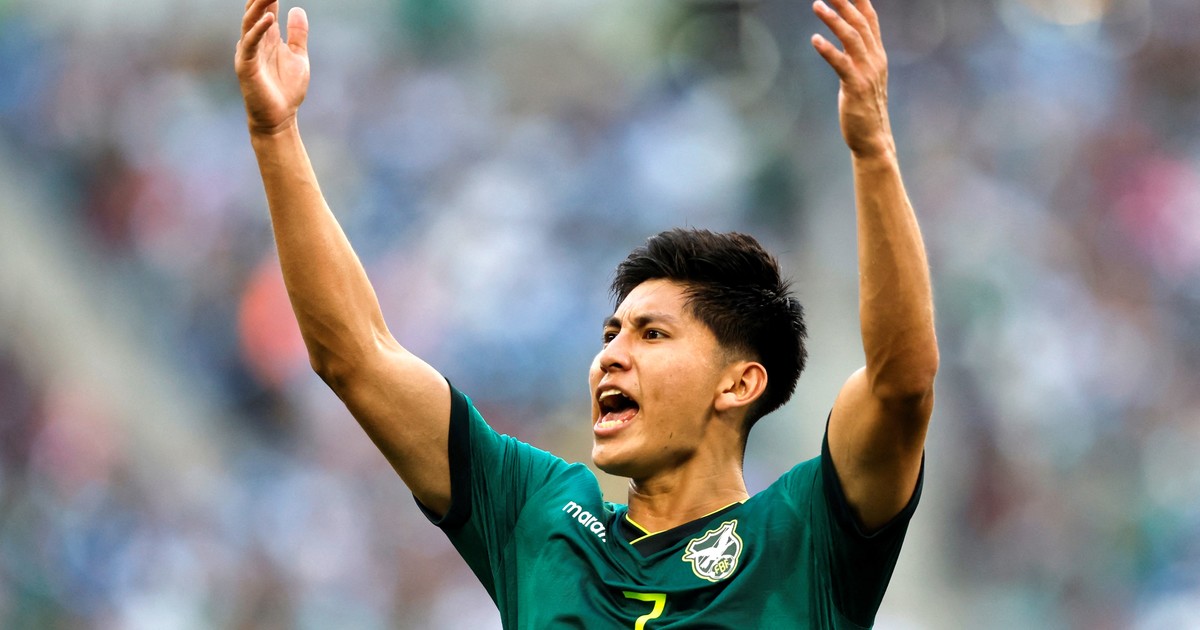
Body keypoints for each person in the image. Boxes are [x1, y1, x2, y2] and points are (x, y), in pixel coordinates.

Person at [234, 0, 938, 626]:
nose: (610, 356)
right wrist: (275, 134)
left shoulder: (804, 537)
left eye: (652, 333)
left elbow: (900, 383)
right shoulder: (538, 513)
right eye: (611, 333)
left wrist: (873, 150)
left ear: (739, 383)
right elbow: (356, 356)